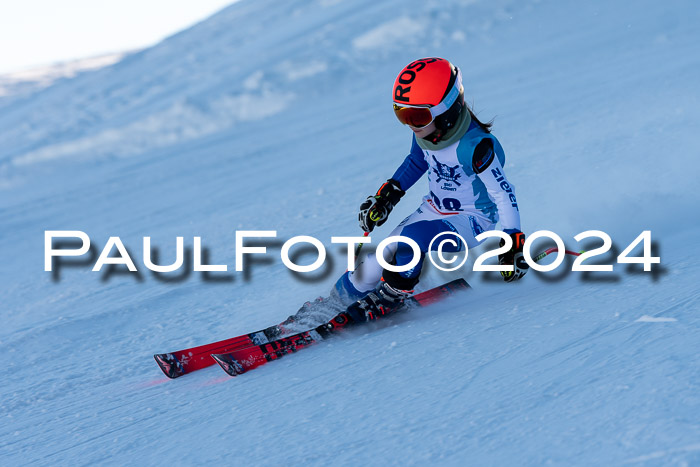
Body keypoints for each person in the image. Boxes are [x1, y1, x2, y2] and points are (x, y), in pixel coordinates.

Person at [330, 57, 530, 324]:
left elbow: (503, 194)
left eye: (417, 116)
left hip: (471, 221)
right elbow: (416, 161)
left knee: (411, 240)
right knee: (376, 261)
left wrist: (512, 242)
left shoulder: (476, 147)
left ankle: (392, 295)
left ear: (447, 111)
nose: (411, 125)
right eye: (402, 115)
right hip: (432, 209)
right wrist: (386, 197)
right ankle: (335, 301)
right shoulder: (426, 132)